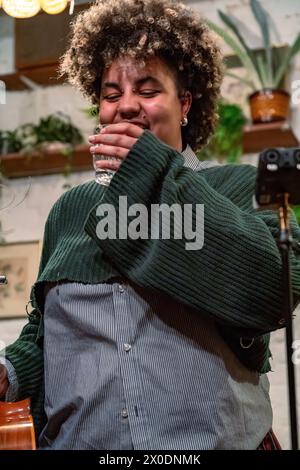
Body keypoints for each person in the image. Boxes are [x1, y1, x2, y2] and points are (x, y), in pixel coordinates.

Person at [1, 0, 300, 450]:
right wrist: (9, 371)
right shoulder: (70, 211)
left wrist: (152, 170)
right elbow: (45, 336)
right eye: (110, 94)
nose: (126, 107)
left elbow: (271, 291)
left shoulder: (236, 188)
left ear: (184, 104)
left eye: (146, 89)